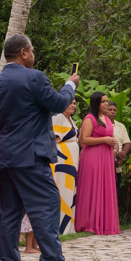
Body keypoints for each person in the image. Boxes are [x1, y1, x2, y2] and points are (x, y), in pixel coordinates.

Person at [0, 34, 85, 261]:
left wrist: (2, 146)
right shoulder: (34, 77)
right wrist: (70, 85)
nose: (33, 55)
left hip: (4, 157)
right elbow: (58, 103)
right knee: (47, 204)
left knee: (9, 212)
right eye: (32, 50)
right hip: (30, 155)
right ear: (23, 53)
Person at [76, 91, 121, 235]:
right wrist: (104, 140)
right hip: (93, 156)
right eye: (103, 101)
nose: (106, 104)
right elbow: (84, 139)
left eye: (106, 101)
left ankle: (104, 223)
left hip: (106, 157)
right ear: (96, 103)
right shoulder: (90, 119)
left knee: (105, 187)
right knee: (93, 187)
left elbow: (110, 135)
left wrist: (113, 142)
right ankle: (90, 222)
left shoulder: (106, 119)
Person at [50, 96, 79, 234]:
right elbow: (52, 138)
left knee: (71, 191)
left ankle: (69, 227)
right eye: (69, 103)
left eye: (74, 103)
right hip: (62, 159)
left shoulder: (70, 119)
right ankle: (59, 227)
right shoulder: (57, 118)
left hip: (73, 159)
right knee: (62, 189)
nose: (72, 105)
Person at [106, 99, 131, 186]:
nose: (112, 112)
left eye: (114, 110)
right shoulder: (101, 125)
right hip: (105, 162)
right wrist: (115, 155)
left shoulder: (120, 126)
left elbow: (127, 143)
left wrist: (121, 157)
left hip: (118, 165)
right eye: (110, 109)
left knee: (116, 189)